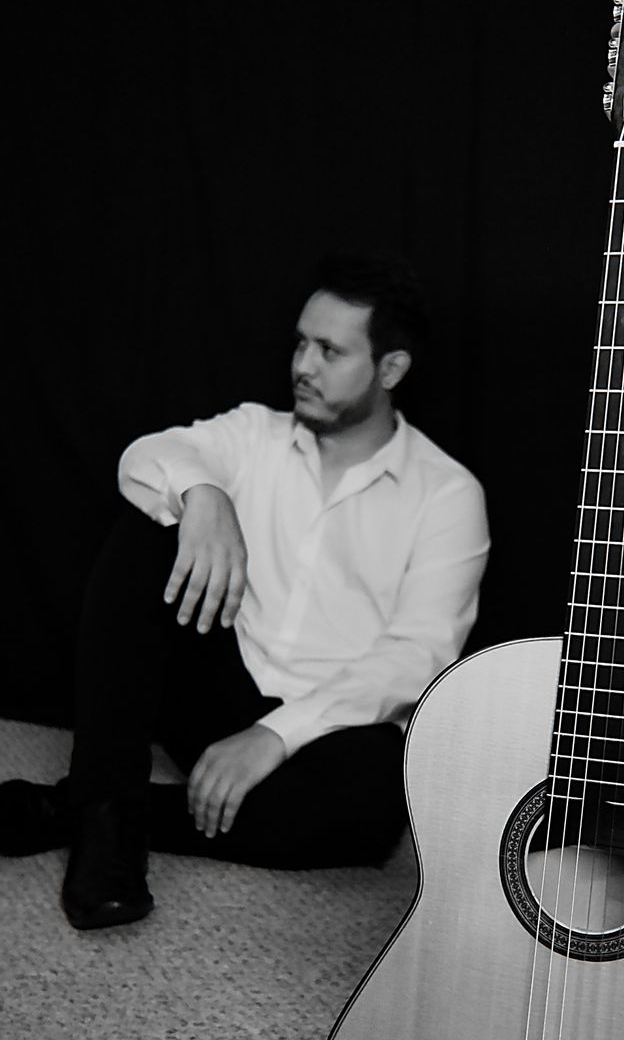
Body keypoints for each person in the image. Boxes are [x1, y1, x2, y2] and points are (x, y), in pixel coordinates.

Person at [0, 252, 490, 929]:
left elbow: (419, 655)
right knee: (152, 524)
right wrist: (205, 496)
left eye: (329, 350)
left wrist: (274, 735)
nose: (302, 366)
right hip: (214, 685)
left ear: (391, 369)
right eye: (300, 343)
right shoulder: (256, 432)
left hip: (326, 727)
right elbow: (146, 455)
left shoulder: (448, 494)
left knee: (375, 802)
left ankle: (75, 807)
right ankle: (107, 827)